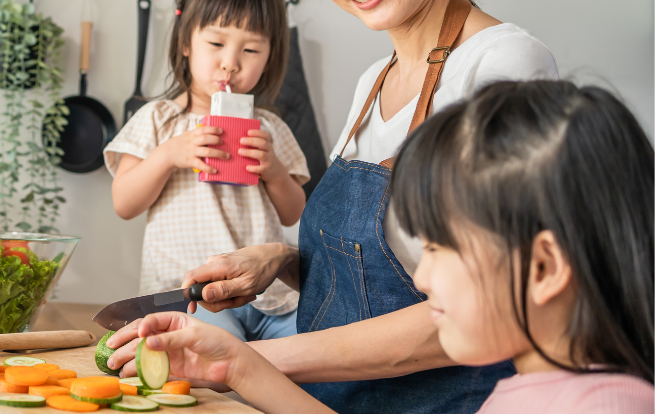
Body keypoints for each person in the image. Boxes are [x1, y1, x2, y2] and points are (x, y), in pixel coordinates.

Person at [107, 0, 559, 413]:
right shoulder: (372, 84)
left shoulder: (505, 65)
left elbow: (489, 305)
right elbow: (367, 276)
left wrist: (250, 360)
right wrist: (276, 260)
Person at [122, 80, 654, 414]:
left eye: (440, 249)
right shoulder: (529, 392)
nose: (420, 279)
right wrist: (237, 367)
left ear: (542, 267)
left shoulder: (603, 406)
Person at [104, 0, 309, 342]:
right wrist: (168, 155)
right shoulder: (159, 119)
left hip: (268, 297)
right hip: (191, 296)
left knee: (312, 346)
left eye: (250, 50)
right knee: (211, 352)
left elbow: (294, 211)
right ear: (185, 42)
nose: (230, 63)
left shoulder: (270, 128)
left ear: (269, 58)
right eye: (216, 43)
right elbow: (124, 203)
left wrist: (275, 173)